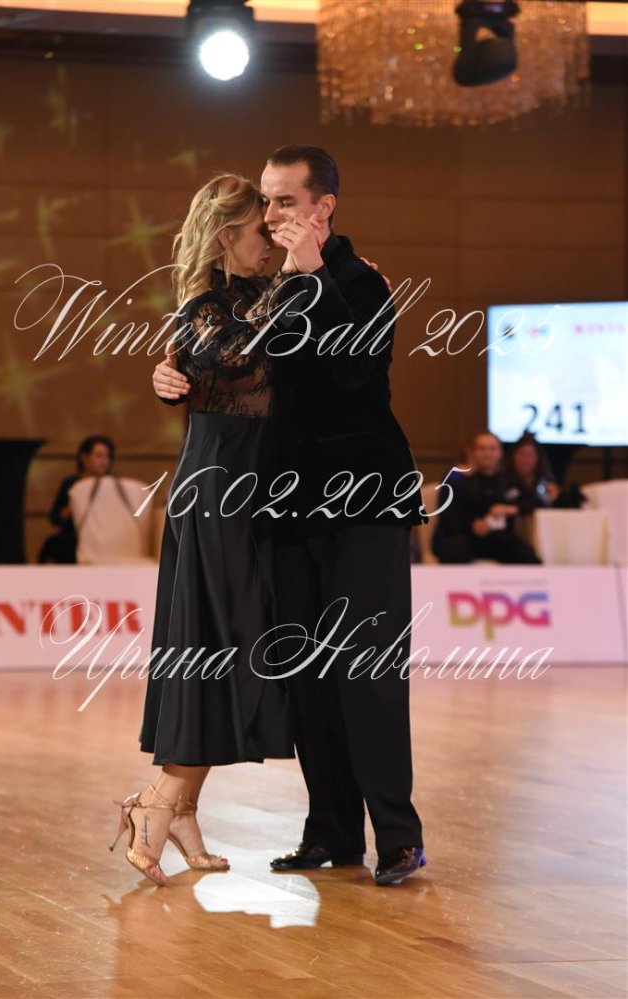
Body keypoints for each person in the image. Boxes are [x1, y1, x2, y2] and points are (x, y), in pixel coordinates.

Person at [153, 146, 428, 886]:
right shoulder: (270, 289)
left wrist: (313, 276)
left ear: (322, 206)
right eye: (266, 202)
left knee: (367, 673)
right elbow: (234, 369)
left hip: (364, 502)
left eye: (283, 201)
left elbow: (354, 371)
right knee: (307, 677)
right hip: (284, 508)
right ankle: (332, 830)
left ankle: (397, 836)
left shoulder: (358, 281)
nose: (270, 214)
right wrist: (173, 376)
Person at [111, 174, 296, 886]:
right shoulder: (206, 308)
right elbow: (237, 361)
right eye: (261, 231)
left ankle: (180, 809)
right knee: (220, 644)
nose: (272, 241)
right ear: (226, 237)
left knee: (218, 645)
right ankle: (156, 804)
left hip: (250, 490)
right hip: (220, 491)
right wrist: (301, 280)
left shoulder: (261, 296)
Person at [433, 430, 541, 564]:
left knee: (527, 556)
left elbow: (536, 502)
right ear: (472, 452)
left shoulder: (510, 481)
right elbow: (448, 516)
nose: (488, 454)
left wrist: (511, 509)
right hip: (468, 538)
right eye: (482, 449)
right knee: (453, 550)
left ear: (500, 452)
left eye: (492, 449)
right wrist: (471, 526)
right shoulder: (459, 481)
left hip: (501, 539)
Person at [38, 435, 115, 564]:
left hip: (103, 537)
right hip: (73, 537)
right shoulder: (71, 483)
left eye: (107, 457)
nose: (104, 462)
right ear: (84, 458)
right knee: (54, 544)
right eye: (99, 456)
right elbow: (54, 517)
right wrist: (70, 509)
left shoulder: (113, 486)